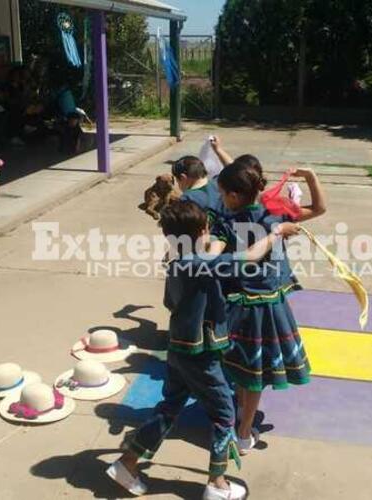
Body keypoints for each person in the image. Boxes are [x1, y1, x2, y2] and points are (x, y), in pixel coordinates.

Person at [106, 200, 299, 500]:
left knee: (169, 408)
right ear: (201, 231)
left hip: (178, 350)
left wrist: (213, 246)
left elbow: (172, 302)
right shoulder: (203, 265)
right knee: (224, 415)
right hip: (202, 355)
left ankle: (127, 463)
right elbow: (250, 256)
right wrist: (276, 233)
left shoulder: (176, 261)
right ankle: (217, 484)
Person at [212, 160, 327, 454]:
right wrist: (311, 176)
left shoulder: (228, 219)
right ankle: (244, 430)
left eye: (223, 192)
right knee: (252, 374)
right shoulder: (272, 216)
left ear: (235, 196)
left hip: (239, 305)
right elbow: (319, 209)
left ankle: (242, 424)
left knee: (242, 370)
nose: (221, 198)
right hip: (263, 306)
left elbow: (217, 253)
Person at [172, 155, 227, 224]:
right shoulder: (220, 181)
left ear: (183, 178)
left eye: (177, 181)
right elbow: (233, 167)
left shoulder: (187, 198)